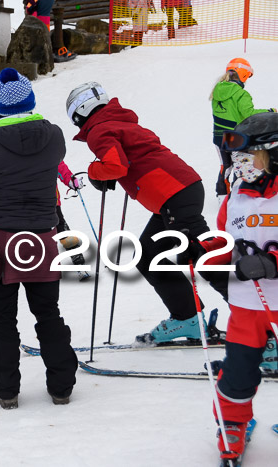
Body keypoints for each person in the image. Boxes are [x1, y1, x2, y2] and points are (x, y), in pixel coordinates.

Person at [66, 82, 227, 344]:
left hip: (174, 194)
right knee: (149, 254)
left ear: (79, 112)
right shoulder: (121, 122)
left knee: (205, 256)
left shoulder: (99, 130)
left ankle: (257, 321)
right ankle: (188, 319)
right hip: (177, 193)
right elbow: (130, 160)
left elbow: (115, 165)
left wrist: (96, 171)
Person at [0, 67, 78, 409]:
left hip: (0, 244)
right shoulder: (54, 137)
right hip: (42, 241)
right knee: (48, 313)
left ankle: (7, 391)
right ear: (31, 100)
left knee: (1, 320)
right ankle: (62, 386)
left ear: (0, 106)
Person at [182, 112, 278, 463]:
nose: (240, 166)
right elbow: (226, 239)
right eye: (236, 159)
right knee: (237, 371)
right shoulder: (235, 194)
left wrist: (273, 261)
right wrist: (202, 251)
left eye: (248, 158)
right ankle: (233, 423)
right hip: (246, 304)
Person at [211, 58, 274, 196]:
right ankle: (238, 195)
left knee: (225, 167)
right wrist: (269, 112)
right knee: (241, 166)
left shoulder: (217, 90)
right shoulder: (241, 94)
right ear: (244, 74)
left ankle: (222, 196)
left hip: (218, 136)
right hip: (234, 136)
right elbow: (249, 115)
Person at [56, 161, 89, 280]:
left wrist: (71, 181)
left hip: (49, 201)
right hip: (23, 205)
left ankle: (78, 263)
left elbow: (60, 167)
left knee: (62, 229)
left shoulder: (46, 146)